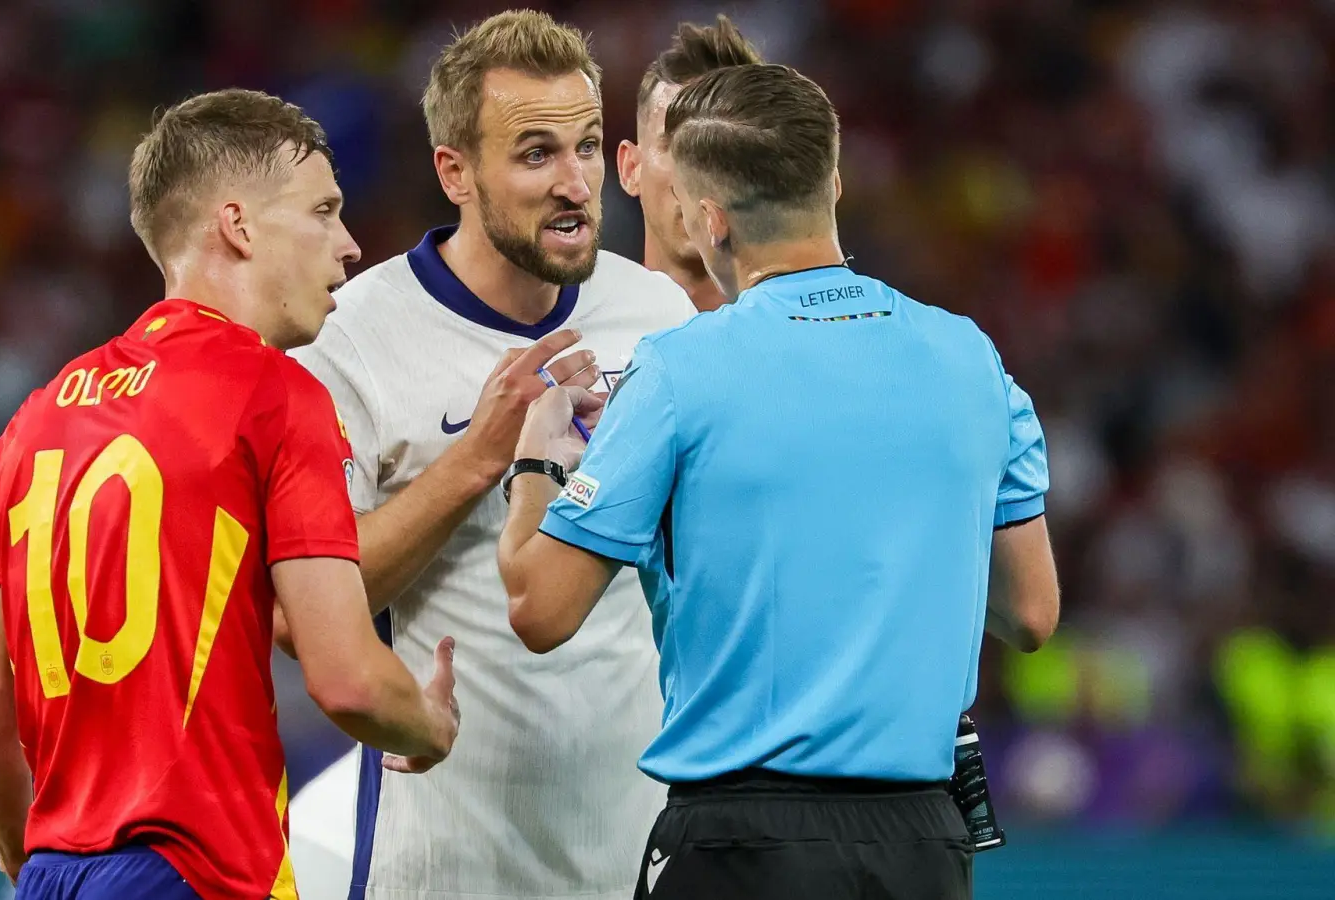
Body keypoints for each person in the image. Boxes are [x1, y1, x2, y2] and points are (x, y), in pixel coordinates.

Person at [498, 64, 1060, 900]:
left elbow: (540, 610)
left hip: (740, 844)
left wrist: (535, 462)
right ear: (832, 182)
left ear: (711, 221)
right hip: (922, 847)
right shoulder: (971, 359)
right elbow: (1030, 613)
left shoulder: (679, 373)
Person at [0, 89, 460, 900]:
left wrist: (28, 862)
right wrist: (428, 723)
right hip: (200, 872)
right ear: (239, 225)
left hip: (53, 876)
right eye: (323, 211)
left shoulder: (30, 423)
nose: (350, 245)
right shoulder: (273, 395)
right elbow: (347, 678)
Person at [286, 10, 696, 900]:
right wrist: (478, 457)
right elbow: (301, 619)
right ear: (455, 171)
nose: (576, 183)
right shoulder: (350, 341)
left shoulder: (661, 320)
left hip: (634, 857)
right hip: (439, 866)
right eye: (536, 153)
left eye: (588, 147)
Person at [618, 15, 763, 312]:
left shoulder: (802, 339)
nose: (694, 175)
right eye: (674, 146)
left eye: (721, 145)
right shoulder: (583, 340)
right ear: (631, 169)